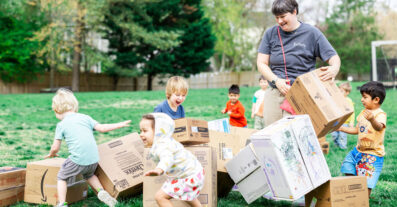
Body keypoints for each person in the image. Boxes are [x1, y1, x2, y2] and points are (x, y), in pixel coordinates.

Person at [257, 0, 341, 126]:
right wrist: (276, 81)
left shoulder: (312, 33)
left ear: (294, 11)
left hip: (303, 94)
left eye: (283, 16)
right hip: (275, 92)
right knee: (271, 136)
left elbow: (334, 58)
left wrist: (334, 68)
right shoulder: (270, 34)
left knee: (299, 136)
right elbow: (261, 63)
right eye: (277, 18)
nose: (280, 21)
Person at [46, 88, 131, 207]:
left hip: (78, 160)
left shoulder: (61, 125)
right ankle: (102, 192)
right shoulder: (85, 117)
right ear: (74, 106)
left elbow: (55, 147)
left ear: (56, 110)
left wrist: (52, 154)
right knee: (89, 175)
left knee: (61, 177)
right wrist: (119, 125)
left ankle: (62, 203)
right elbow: (102, 128)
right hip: (93, 159)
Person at [140, 113, 204, 207]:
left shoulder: (163, 146)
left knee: (160, 197)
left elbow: (167, 158)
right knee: (187, 193)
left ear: (158, 131)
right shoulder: (165, 140)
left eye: (145, 131)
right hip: (194, 173)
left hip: (188, 177)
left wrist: (159, 170)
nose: (141, 134)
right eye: (140, 131)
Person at [338, 81, 387, 196]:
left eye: (365, 97)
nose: (361, 100)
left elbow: (379, 127)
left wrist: (372, 119)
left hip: (372, 155)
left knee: (367, 182)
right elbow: (356, 130)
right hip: (358, 151)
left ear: (376, 100)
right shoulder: (363, 113)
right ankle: (355, 191)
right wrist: (341, 128)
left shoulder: (380, 114)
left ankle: (363, 199)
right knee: (347, 167)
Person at [331, 82, 355, 149]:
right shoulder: (336, 99)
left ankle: (342, 147)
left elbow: (352, 112)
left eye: (341, 91)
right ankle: (336, 144)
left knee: (342, 135)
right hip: (336, 120)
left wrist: (351, 122)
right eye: (338, 90)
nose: (339, 92)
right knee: (334, 134)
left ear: (347, 93)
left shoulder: (348, 101)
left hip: (345, 122)